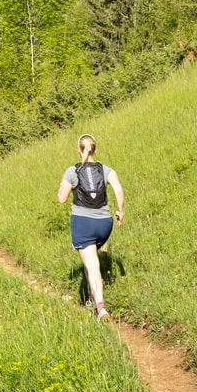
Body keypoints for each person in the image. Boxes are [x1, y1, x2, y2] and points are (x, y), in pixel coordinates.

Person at [56, 133, 124, 319]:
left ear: (79, 150)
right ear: (96, 150)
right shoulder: (106, 170)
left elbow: (61, 199)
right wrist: (120, 211)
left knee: (92, 265)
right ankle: (91, 298)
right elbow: (118, 189)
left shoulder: (73, 171)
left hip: (83, 223)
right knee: (91, 259)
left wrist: (65, 186)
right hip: (105, 224)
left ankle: (100, 307)